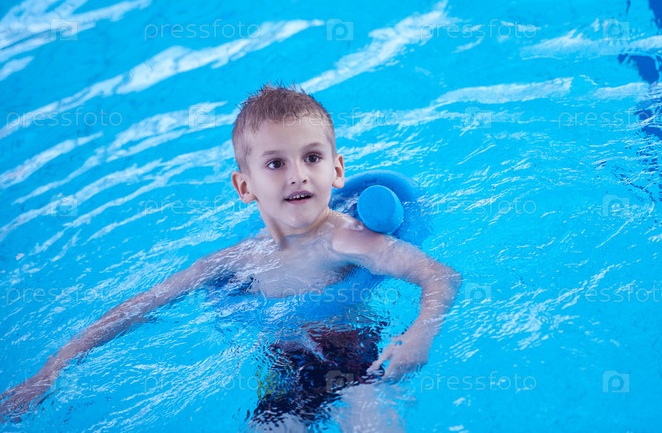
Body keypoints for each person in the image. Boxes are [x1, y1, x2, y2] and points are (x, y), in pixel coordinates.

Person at [0, 85, 461, 430]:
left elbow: (440, 276)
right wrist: (53, 367)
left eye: (312, 158)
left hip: (355, 360)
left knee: (369, 420)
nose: (298, 175)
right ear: (245, 186)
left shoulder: (344, 240)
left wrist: (419, 334)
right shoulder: (237, 259)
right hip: (285, 369)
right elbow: (142, 305)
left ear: (337, 170)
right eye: (276, 163)